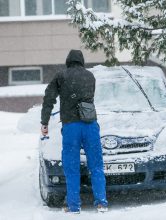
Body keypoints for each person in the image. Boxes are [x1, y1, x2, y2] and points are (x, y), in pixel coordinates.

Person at [40, 49, 108, 213]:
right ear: (82, 61)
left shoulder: (61, 76)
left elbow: (49, 98)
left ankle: (74, 206)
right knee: (96, 166)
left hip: (71, 126)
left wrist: (45, 121)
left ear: (68, 61)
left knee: (72, 167)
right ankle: (101, 203)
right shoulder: (90, 76)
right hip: (90, 125)